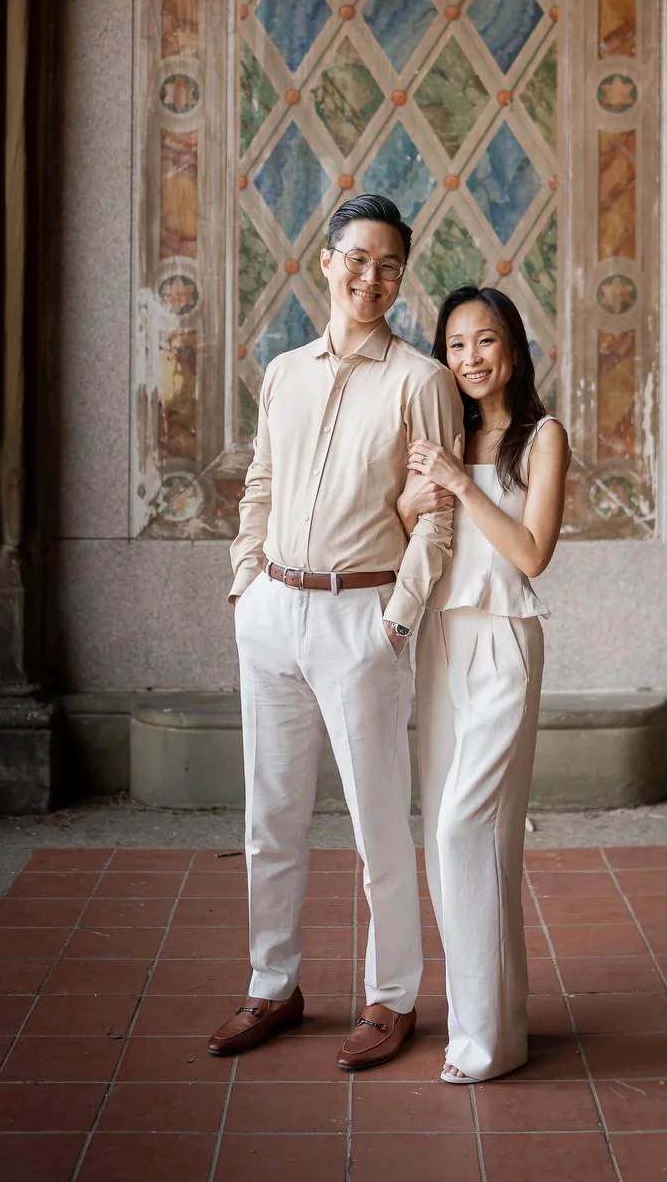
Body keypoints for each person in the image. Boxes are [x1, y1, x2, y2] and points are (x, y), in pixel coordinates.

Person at [210, 193, 463, 1073]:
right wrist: (246, 586)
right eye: (358, 259)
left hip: (363, 618)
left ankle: (392, 997)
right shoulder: (284, 371)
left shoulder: (421, 381)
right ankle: (272, 984)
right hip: (273, 615)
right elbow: (261, 487)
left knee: (377, 827)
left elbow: (438, 519)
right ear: (326, 260)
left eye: (390, 266)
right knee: (269, 818)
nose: (373, 278)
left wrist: (395, 623)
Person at [400, 284, 570, 1083]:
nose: (470, 357)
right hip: (438, 642)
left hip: (504, 641)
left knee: (468, 830)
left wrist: (464, 484)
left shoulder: (542, 438)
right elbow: (406, 523)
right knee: (454, 842)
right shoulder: (439, 434)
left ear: (513, 349)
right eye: (456, 344)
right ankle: (492, 1026)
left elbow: (532, 553)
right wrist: (420, 489)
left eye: (486, 340)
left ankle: (486, 1043)